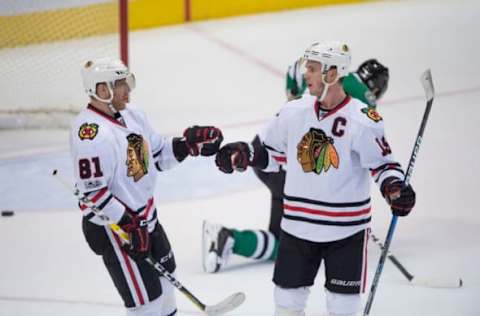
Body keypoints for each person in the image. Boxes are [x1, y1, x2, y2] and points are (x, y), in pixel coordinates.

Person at [213, 41, 415, 316]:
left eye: (312, 68)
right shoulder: (293, 111)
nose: (305, 73)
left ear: (332, 74)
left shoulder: (362, 120)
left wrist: (394, 187)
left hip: (346, 233)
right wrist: (244, 153)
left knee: (342, 308)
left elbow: (383, 165)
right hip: (297, 229)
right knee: (286, 305)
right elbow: (271, 154)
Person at [202, 57, 390, 273]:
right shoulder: (364, 103)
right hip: (288, 165)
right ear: (375, 89)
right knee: (301, 241)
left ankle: (227, 238)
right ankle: (230, 238)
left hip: (264, 153)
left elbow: (294, 75)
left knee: (282, 242)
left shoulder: (333, 77)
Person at [70, 58, 223, 316]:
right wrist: (128, 224)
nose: (128, 90)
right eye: (120, 84)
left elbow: (158, 155)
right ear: (102, 89)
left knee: (165, 287)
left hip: (147, 219)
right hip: (118, 229)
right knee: (147, 304)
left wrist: (188, 145)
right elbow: (92, 196)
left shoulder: (133, 115)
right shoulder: (91, 135)